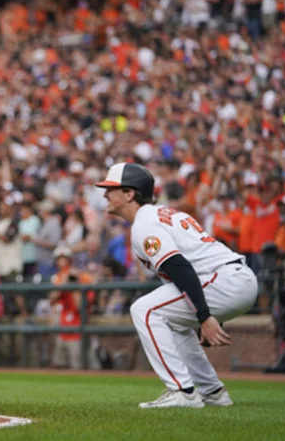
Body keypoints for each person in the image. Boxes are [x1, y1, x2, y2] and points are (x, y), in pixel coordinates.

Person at [95, 163, 258, 408]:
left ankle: (182, 391)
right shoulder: (161, 214)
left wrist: (204, 316)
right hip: (228, 278)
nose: (105, 194)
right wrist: (205, 311)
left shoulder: (145, 224)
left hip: (222, 280)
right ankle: (212, 391)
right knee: (172, 322)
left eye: (111, 188)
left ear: (129, 194)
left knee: (144, 310)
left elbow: (180, 267)